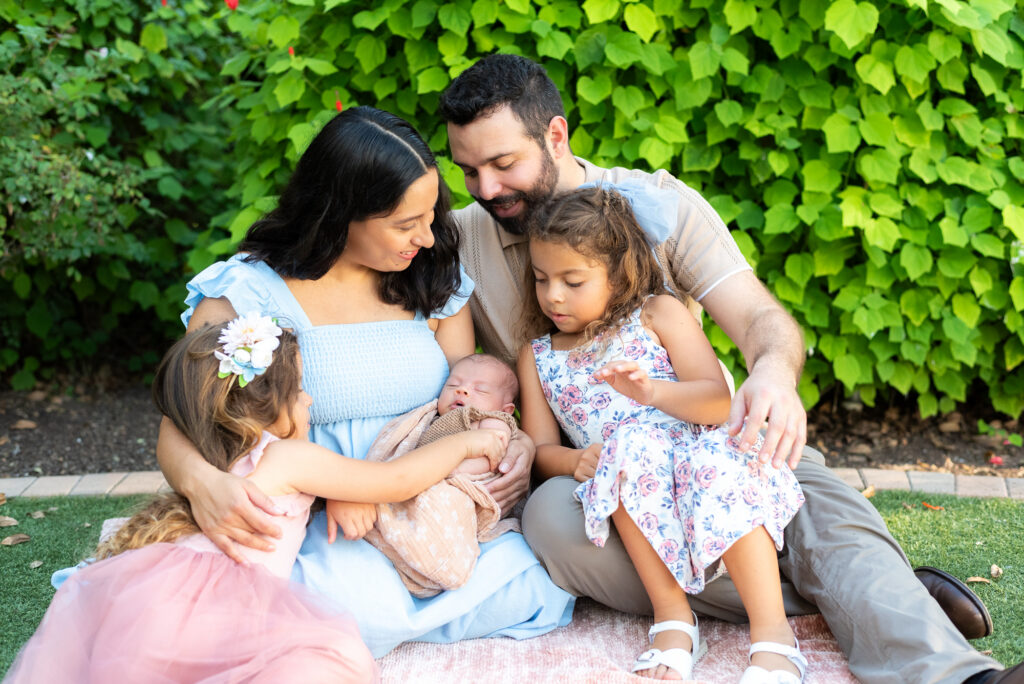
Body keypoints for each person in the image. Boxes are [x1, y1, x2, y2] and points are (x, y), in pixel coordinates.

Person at [438, 54, 1016, 683]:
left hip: (713, 440)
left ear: (555, 134)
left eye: (503, 165)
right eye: (468, 171)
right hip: (609, 481)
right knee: (550, 522)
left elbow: (758, 319)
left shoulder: (658, 204)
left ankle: (959, 676)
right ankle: (877, 599)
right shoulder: (462, 239)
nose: (487, 190)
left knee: (820, 508)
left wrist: (771, 373)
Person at [154, 106, 573, 657]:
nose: (426, 239)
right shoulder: (247, 293)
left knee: (536, 587)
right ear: (339, 212)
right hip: (323, 520)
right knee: (351, 606)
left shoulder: (432, 283)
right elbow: (181, 420)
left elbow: (464, 398)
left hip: (427, 508)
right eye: (405, 224)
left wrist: (513, 442)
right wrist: (204, 487)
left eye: (430, 217)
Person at [7, 315, 505, 683]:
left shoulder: (220, 446)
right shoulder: (287, 458)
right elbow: (395, 481)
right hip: (217, 610)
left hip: (160, 596)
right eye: (302, 391)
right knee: (318, 662)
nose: (310, 401)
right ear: (268, 407)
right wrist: (464, 442)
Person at [518, 186, 807, 682]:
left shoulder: (657, 313)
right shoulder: (538, 356)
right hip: (629, 477)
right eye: (542, 279)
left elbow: (718, 402)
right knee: (627, 449)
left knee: (710, 463)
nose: (553, 296)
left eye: (573, 280)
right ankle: (674, 621)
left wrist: (653, 394)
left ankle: (774, 638)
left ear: (619, 273)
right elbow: (539, 451)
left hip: (700, 452)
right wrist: (574, 462)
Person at [361, 352, 522, 597]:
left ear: (506, 409)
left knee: (439, 503)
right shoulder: (432, 419)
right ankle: (400, 541)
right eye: (454, 385)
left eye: (480, 390)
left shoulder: (494, 421)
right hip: (419, 475)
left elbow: (491, 459)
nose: (463, 391)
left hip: (453, 484)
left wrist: (451, 471)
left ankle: (435, 558)